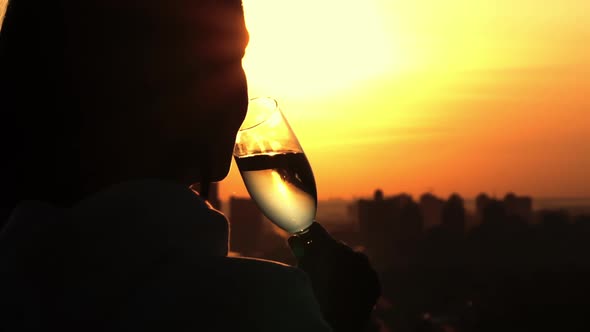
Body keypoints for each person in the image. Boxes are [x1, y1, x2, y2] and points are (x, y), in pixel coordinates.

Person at [0, 1, 380, 331]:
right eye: (231, 58)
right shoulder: (255, 310)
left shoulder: (21, 286)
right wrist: (338, 320)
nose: (243, 93)